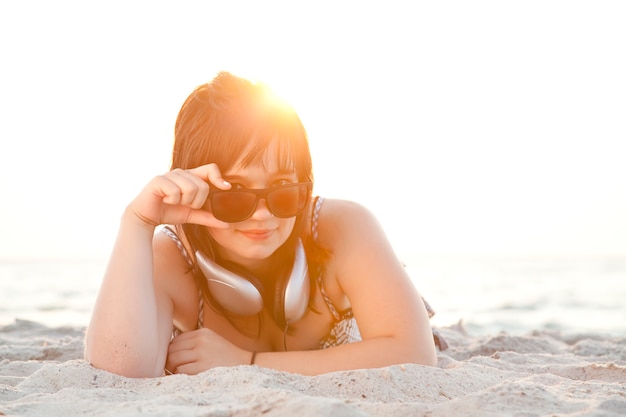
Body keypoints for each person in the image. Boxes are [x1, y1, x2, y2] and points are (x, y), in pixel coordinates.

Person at [84, 71, 445, 378]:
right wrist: (137, 223)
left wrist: (248, 362)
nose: (262, 214)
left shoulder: (341, 227)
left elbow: (415, 356)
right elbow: (119, 371)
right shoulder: (173, 256)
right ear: (195, 183)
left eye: (283, 189)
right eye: (235, 191)